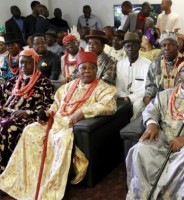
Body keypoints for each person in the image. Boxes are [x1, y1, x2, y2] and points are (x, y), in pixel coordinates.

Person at [0, 51, 117, 199]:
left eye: (91, 68)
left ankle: (50, 186)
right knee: (30, 130)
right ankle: (22, 180)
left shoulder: (105, 88)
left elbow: (109, 106)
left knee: (60, 139)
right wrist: (48, 113)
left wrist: (83, 112)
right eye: (83, 68)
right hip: (55, 121)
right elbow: (56, 105)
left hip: (70, 125)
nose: (87, 71)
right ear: (78, 70)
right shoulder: (68, 86)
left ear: (96, 70)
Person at [126, 55, 184, 199]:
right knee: (140, 149)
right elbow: (151, 110)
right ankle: (143, 195)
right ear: (179, 75)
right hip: (164, 137)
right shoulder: (164, 95)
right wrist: (152, 124)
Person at [0, 49, 54, 174]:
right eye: (21, 63)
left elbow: (49, 106)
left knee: (6, 126)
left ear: (35, 63)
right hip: (6, 113)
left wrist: (28, 112)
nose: (23, 66)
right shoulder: (12, 81)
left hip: (28, 117)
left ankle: (5, 172)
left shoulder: (44, 83)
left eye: (27, 63)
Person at [116, 32, 151, 120]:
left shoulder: (147, 64)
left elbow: (147, 89)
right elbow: (118, 85)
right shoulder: (120, 64)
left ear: (139, 47)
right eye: (127, 46)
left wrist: (130, 98)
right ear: (124, 48)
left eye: (133, 46)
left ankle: (132, 129)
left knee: (137, 105)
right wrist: (124, 97)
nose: (130, 48)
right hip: (123, 97)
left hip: (140, 98)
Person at [143, 31, 182, 106]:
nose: (167, 48)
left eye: (171, 45)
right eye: (164, 45)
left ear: (177, 46)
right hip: (159, 104)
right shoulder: (155, 63)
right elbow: (150, 87)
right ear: (160, 47)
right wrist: (149, 104)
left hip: (180, 104)